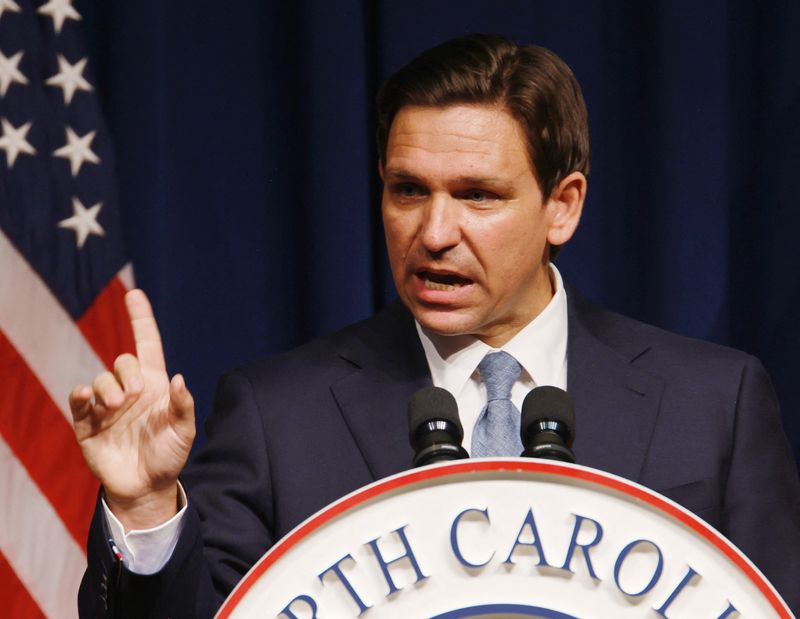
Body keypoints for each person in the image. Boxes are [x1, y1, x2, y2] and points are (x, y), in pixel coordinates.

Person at [71, 34, 800, 617]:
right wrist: (144, 507)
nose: (434, 231)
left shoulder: (714, 404)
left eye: (477, 195)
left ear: (563, 206)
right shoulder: (277, 414)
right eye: (408, 190)